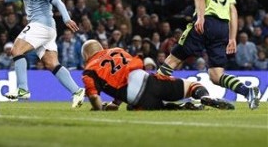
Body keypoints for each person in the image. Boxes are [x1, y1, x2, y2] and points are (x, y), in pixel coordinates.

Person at [157, 0, 260, 110]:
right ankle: (247, 91)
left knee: (173, 59)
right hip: (222, 28)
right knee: (216, 75)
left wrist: (200, 17)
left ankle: (152, 95)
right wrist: (232, 37)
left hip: (205, 22)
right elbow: (233, 10)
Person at [0, 0, 85, 108]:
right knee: (51, 63)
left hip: (41, 25)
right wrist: (6, 0)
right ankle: (77, 91)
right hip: (46, 29)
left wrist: (66, 19)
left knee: (16, 50)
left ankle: (23, 89)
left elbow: (58, 2)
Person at [81, 40, 235, 111]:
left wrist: (99, 108)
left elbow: (95, 97)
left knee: (135, 107)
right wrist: (116, 103)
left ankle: (180, 107)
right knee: (191, 86)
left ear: (86, 55)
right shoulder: (116, 51)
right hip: (150, 80)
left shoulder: (89, 70)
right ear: (101, 48)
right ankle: (203, 97)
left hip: (137, 98)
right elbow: (125, 74)